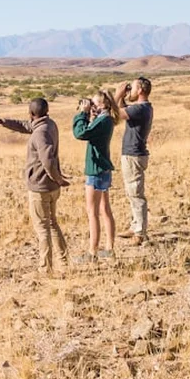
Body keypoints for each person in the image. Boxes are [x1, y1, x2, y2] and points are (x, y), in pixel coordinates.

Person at [0, 98, 71, 275]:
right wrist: (3, 122)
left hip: (41, 187)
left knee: (42, 228)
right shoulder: (49, 124)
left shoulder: (40, 133)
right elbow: (26, 126)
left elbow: (47, 160)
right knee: (52, 224)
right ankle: (64, 262)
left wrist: (58, 178)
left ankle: (45, 268)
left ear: (32, 114)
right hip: (51, 186)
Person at [72, 90, 121, 260]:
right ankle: (109, 248)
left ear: (103, 104)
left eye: (94, 104)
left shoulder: (103, 120)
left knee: (92, 212)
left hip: (96, 170)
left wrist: (82, 114)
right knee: (104, 209)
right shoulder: (106, 119)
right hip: (103, 168)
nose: (91, 106)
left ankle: (92, 252)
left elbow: (81, 133)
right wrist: (91, 116)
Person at [114, 77, 153, 241]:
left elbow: (117, 113)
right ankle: (136, 225)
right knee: (132, 192)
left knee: (136, 193)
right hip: (134, 154)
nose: (131, 91)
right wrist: (122, 98)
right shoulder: (142, 108)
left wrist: (117, 95)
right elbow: (124, 110)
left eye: (133, 88)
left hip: (133, 155)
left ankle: (140, 232)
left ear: (140, 91)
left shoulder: (140, 109)